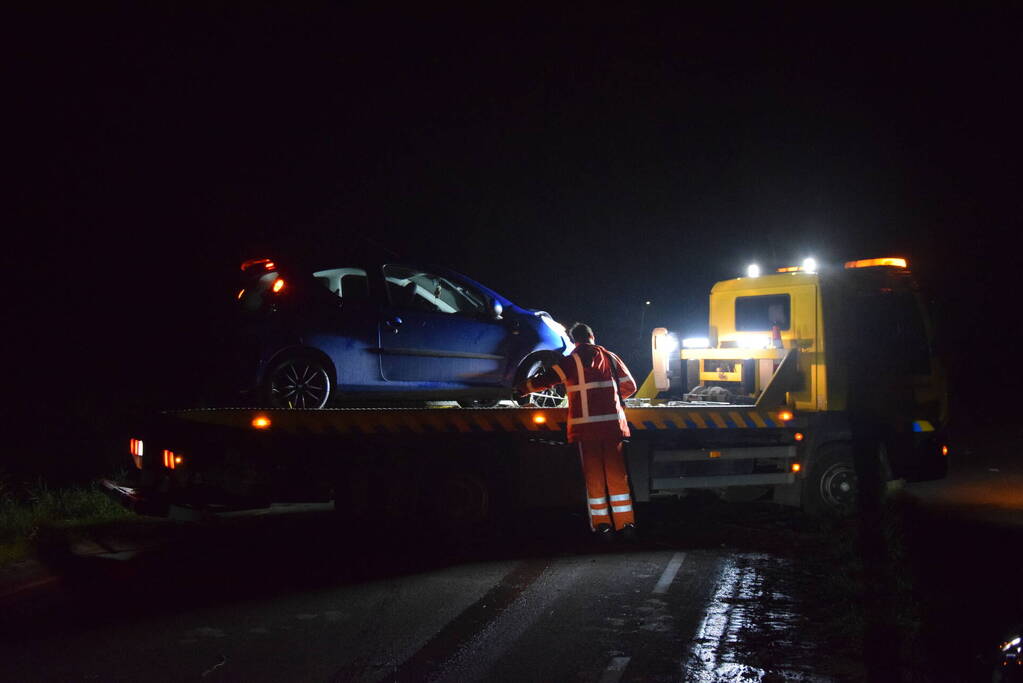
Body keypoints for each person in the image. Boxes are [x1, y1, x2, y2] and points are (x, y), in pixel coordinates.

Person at [516, 323, 638, 539]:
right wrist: (612, 401)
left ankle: (603, 527)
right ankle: (626, 524)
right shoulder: (610, 358)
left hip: (585, 429)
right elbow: (630, 386)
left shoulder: (570, 361)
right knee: (617, 476)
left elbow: (546, 380)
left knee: (594, 478)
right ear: (592, 336)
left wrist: (522, 388)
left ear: (575, 341)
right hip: (612, 427)